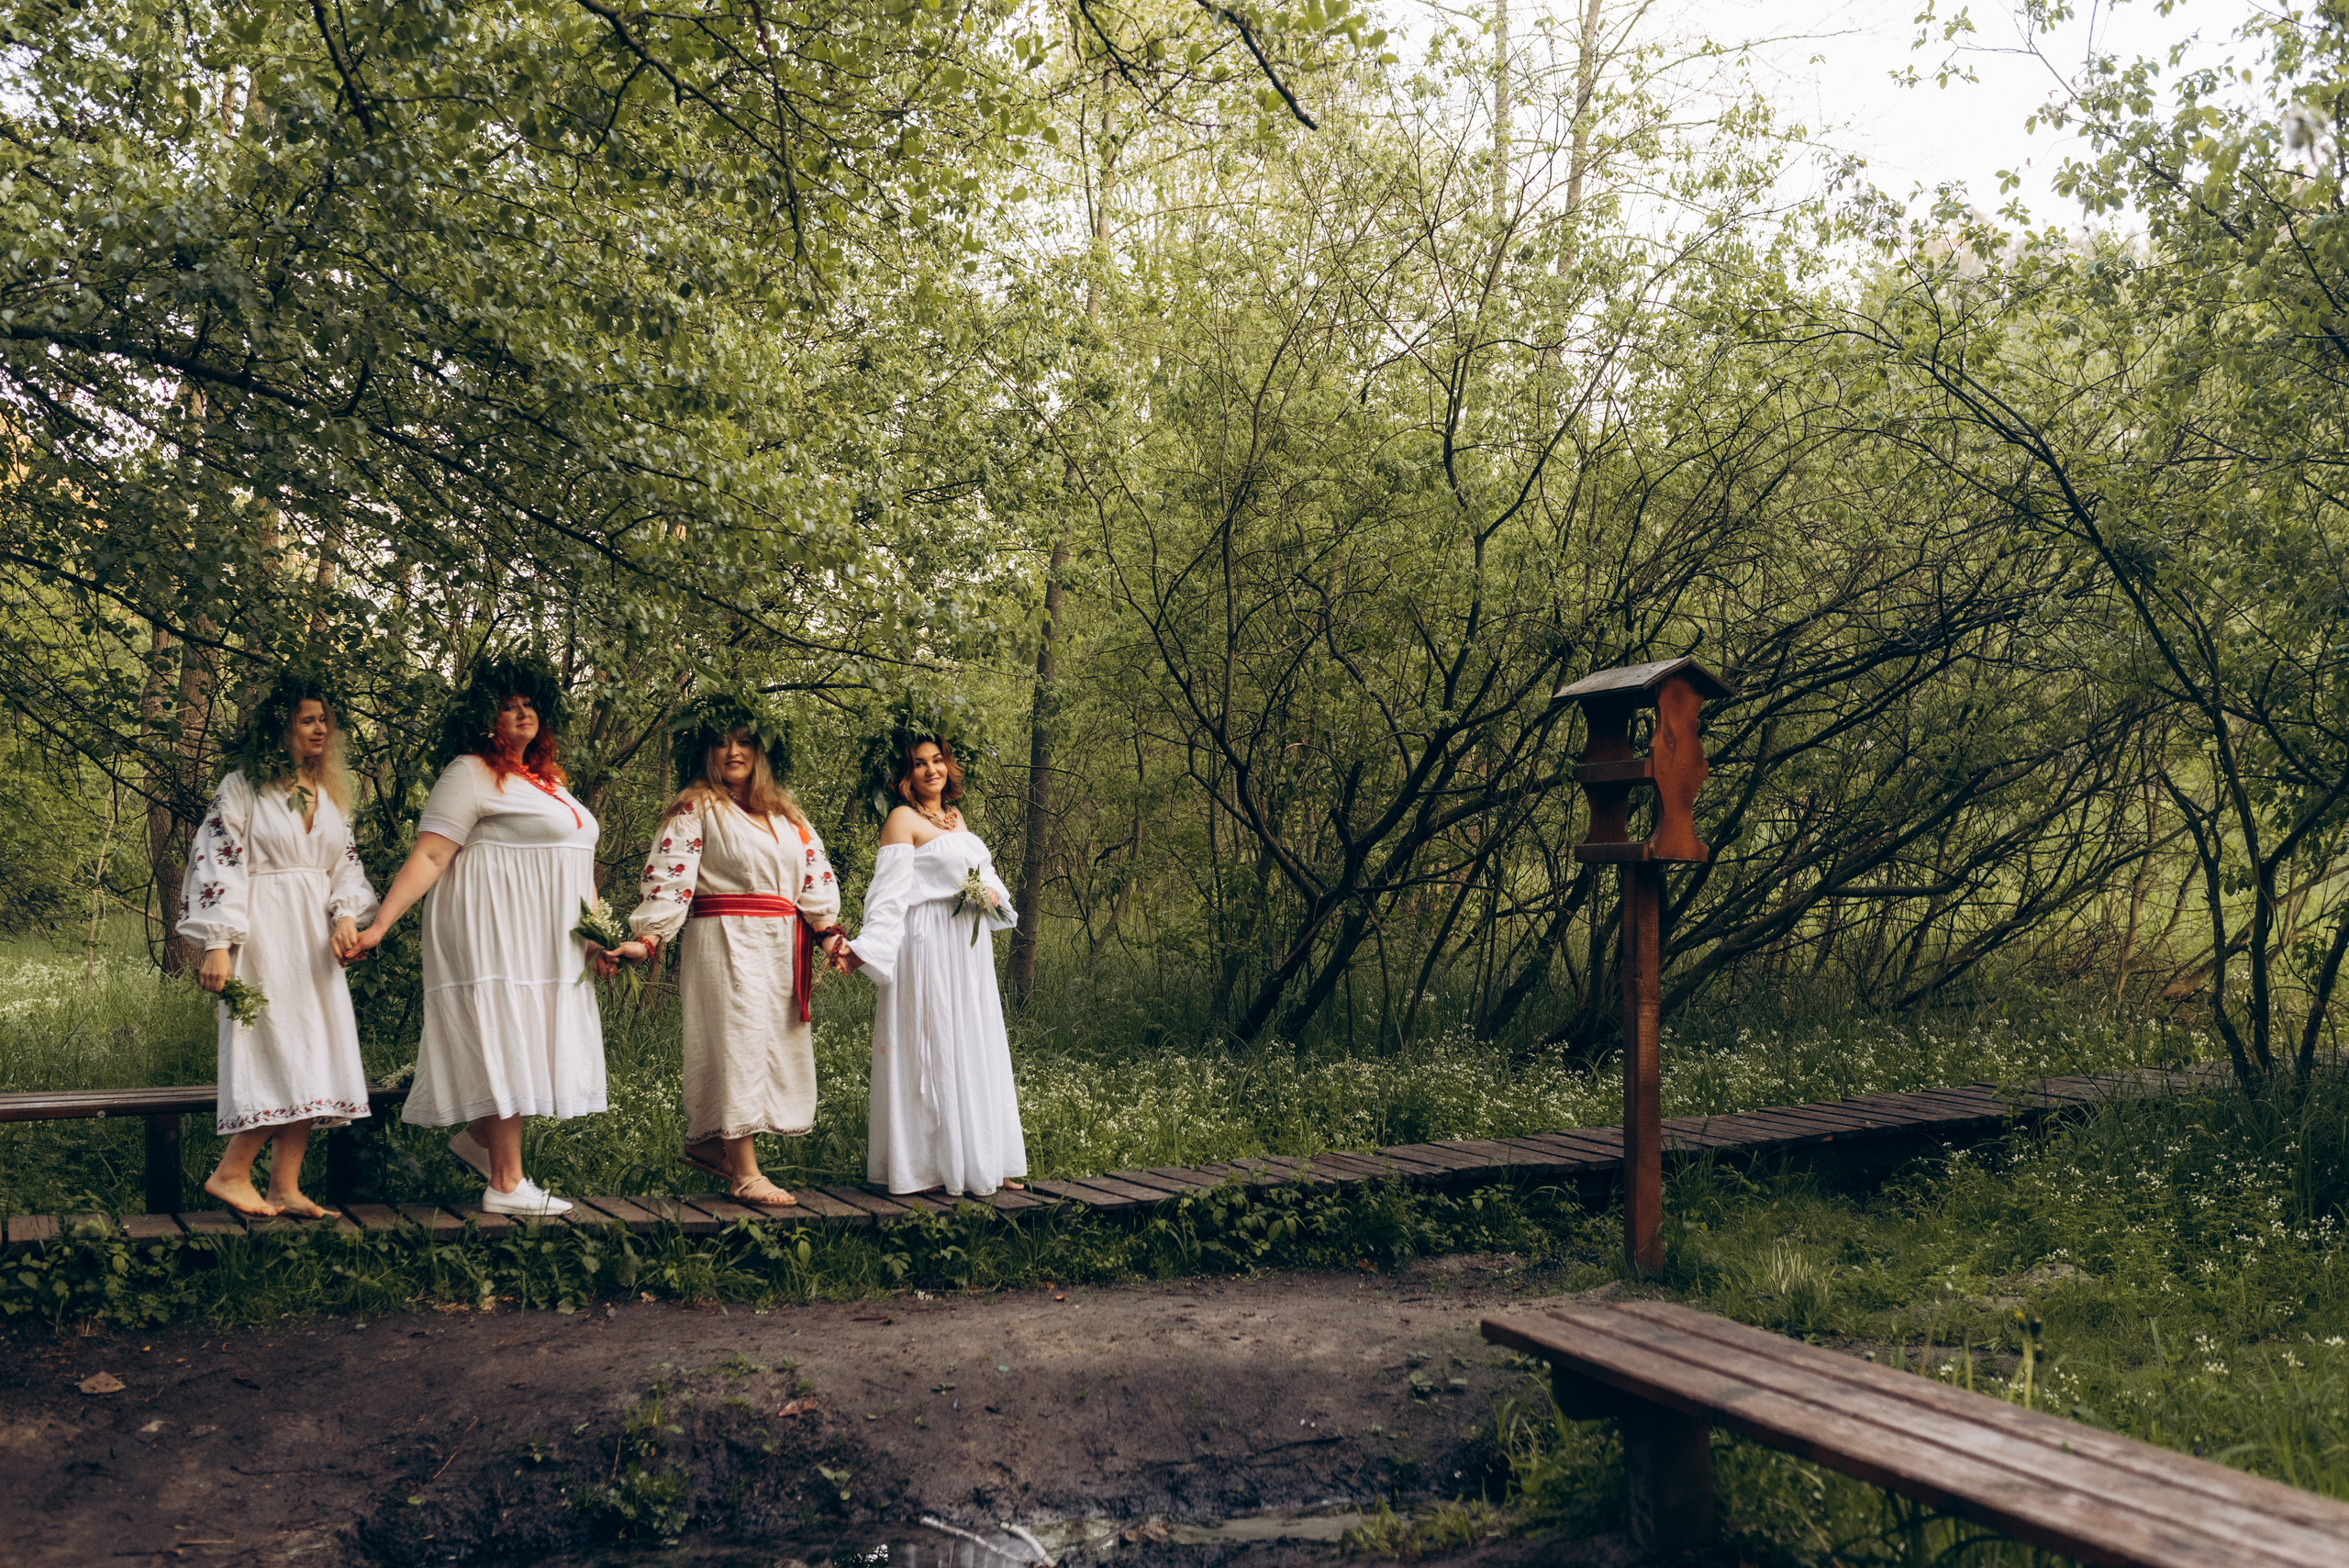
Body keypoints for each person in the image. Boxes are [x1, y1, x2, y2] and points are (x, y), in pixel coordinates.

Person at [346, 654, 605, 1218]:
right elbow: (432, 853)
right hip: (492, 928)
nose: (521, 714)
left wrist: (596, 936)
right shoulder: (468, 772)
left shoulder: (551, 781)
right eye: (507, 707)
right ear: (484, 720)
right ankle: (506, 1186)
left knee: (534, 1038)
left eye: (528, 704)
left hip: (550, 938)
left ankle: (479, 1145)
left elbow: (575, 866)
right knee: (507, 1037)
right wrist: (380, 926)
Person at [600, 696, 841, 1208]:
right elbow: (671, 878)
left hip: (779, 942)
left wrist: (829, 933)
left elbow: (815, 877)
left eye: (743, 741)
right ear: (705, 751)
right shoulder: (696, 806)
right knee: (738, 1042)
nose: (732, 751)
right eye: (720, 742)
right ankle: (745, 1173)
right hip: (724, 936)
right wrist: (648, 938)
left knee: (768, 1043)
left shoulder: (786, 814)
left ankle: (708, 1143)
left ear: (761, 751)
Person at [177, 670, 380, 1219]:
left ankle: (284, 1187)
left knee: (313, 1051)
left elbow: (347, 868)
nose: (320, 730)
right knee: (276, 1048)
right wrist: (217, 942)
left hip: (315, 943)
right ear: (279, 727)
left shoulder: (329, 795)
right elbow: (217, 862)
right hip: (264, 933)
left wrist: (345, 917)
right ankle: (231, 1172)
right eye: (307, 720)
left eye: (324, 721)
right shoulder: (243, 787)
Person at [826, 734, 1029, 1197]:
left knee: (973, 1042)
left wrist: (993, 896)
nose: (931, 770)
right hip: (927, 946)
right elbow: (888, 896)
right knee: (932, 1044)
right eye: (919, 763)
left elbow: (988, 880)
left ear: (950, 767)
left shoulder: (958, 821)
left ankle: (982, 1160)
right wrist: (864, 948)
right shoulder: (901, 820)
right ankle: (928, 1165)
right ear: (906, 774)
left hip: (967, 950)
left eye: (938, 760)